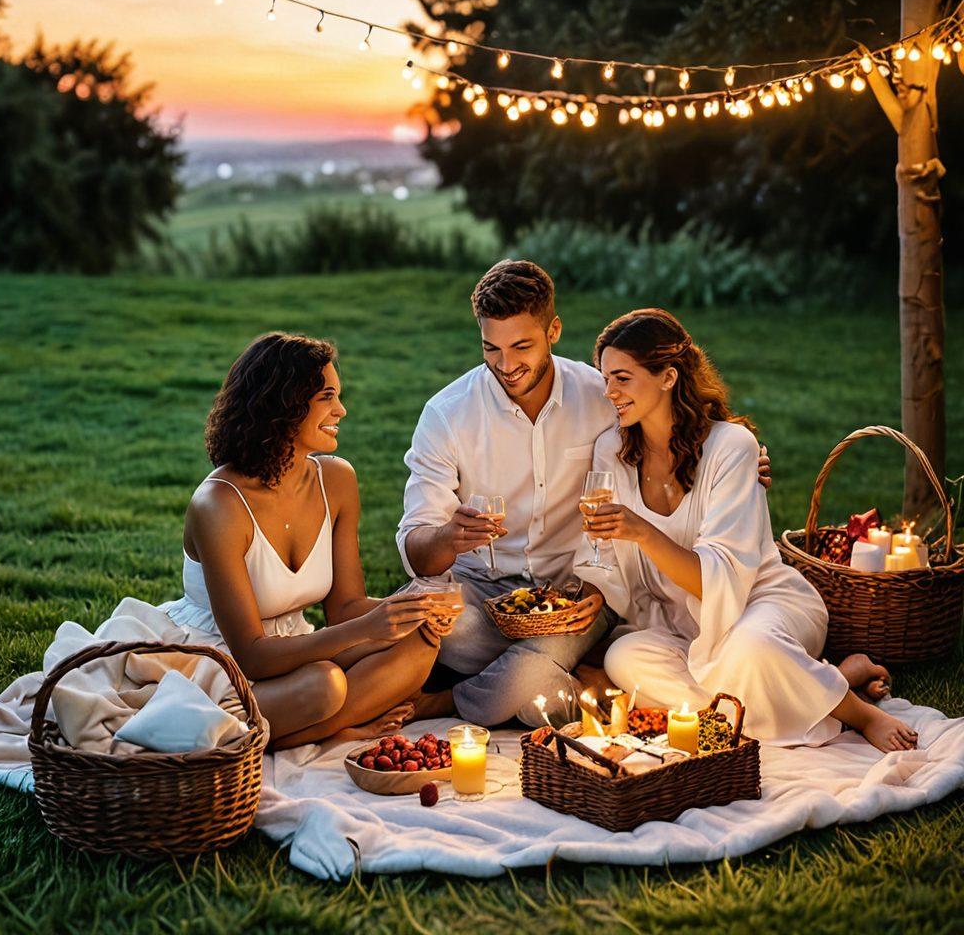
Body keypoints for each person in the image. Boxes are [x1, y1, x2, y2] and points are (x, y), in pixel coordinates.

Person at [398, 261, 773, 726]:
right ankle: (564, 679)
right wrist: (448, 538)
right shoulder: (447, 414)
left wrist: (736, 456)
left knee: (523, 677)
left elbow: (676, 419)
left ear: (553, 330)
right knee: (427, 618)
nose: (507, 365)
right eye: (490, 348)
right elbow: (417, 551)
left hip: (577, 596)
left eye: (522, 346)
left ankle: (458, 697)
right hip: (482, 598)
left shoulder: (602, 395)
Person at [580, 308, 917, 751]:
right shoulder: (613, 450)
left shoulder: (730, 447)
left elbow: (715, 579)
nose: (609, 392)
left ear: (668, 377)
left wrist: (642, 531)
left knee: (749, 648)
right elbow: (606, 559)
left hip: (760, 603)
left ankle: (858, 712)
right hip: (681, 622)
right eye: (605, 378)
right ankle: (831, 681)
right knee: (627, 657)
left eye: (622, 378)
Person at [164, 332, 458, 749]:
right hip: (221, 663)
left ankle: (301, 729)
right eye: (327, 397)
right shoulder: (218, 505)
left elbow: (345, 608)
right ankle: (332, 730)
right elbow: (252, 655)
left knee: (420, 641)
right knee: (325, 686)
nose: (342, 409)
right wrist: (368, 627)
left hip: (295, 646)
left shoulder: (336, 479)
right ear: (283, 403)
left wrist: (411, 609)